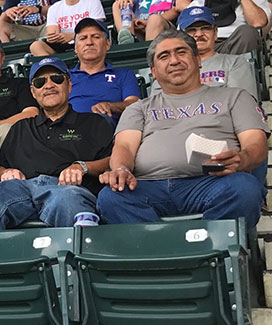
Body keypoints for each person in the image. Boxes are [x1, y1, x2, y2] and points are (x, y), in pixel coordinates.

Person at [96, 30, 269, 227]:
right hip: (148, 187)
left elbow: (256, 143)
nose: (174, 60)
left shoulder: (235, 97)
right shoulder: (139, 108)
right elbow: (124, 146)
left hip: (213, 183)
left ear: (198, 60)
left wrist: (242, 160)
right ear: (152, 71)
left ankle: (209, 249)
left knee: (245, 189)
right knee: (111, 198)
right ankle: (163, 253)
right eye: (164, 56)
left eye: (181, 52)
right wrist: (121, 169)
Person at [0, 57, 114, 231]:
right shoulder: (20, 127)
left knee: (66, 199)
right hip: (22, 190)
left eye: (56, 78)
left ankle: (72, 257)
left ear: (69, 84)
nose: (48, 85)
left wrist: (83, 167)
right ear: (33, 92)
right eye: (40, 82)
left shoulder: (94, 123)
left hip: (65, 189)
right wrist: (5, 172)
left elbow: (112, 161)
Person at [152, 6, 259, 99]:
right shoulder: (170, 69)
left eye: (205, 28)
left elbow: (243, 103)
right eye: (192, 30)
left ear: (215, 32)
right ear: (181, 36)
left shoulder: (235, 63)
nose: (199, 34)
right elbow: (156, 110)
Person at [68, 18, 141, 126]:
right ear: (75, 48)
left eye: (96, 37)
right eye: (83, 38)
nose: (89, 42)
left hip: (108, 132)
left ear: (107, 44)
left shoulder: (124, 75)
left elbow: (134, 104)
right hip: (68, 131)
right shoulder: (63, 78)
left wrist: (110, 106)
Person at [186, 0, 269, 55]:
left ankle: (235, 74)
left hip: (236, 43)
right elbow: (183, 31)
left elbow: (258, 22)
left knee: (247, 32)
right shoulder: (199, 2)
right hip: (204, 44)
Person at [29, 0, 105, 56]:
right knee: (36, 46)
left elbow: (98, 28)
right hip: (62, 44)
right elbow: (52, 33)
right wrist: (53, 37)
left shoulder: (93, 2)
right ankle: (56, 68)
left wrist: (73, 36)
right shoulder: (54, 8)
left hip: (86, 40)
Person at [110, 0, 178, 44]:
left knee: (155, 19)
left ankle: (151, 53)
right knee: (118, 5)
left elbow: (176, 10)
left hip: (163, 28)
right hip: (138, 28)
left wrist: (148, 23)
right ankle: (128, 39)